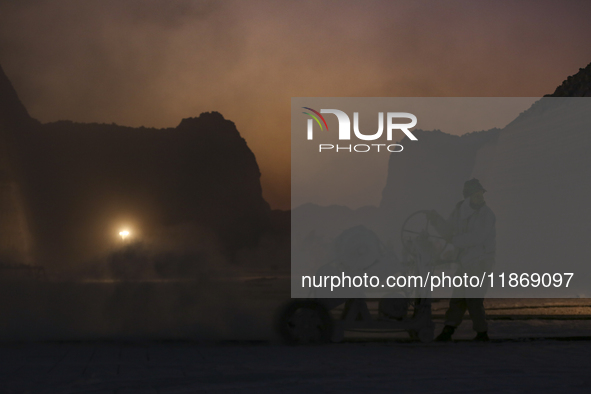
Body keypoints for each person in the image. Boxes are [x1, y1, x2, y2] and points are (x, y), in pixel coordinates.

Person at [427, 178, 496, 342]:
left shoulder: (487, 215)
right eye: (476, 194)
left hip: (480, 262)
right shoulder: (459, 211)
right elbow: (448, 230)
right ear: (468, 196)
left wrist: (454, 240)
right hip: (465, 261)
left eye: (480, 193)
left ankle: (481, 333)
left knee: (473, 298)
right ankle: (449, 330)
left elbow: (477, 238)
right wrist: (436, 220)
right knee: (458, 297)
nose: (480, 197)